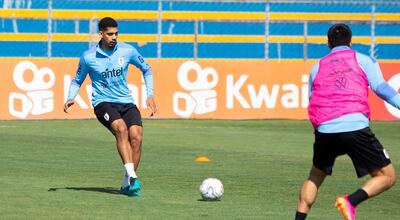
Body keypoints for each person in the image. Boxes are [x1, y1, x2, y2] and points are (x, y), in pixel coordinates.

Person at [295, 23, 399, 220]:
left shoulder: (317, 67)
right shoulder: (363, 60)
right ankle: (351, 201)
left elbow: (312, 101)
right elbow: (381, 88)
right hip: (355, 126)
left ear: (328, 44)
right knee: (387, 176)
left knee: (315, 177)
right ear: (351, 42)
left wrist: (320, 130)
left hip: (325, 130)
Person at [63, 17, 157, 197]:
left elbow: (147, 69)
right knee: (121, 129)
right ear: (101, 34)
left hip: (126, 102)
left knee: (136, 138)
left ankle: (126, 183)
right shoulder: (88, 57)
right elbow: (77, 80)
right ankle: (132, 177)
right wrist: (70, 97)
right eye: (110, 34)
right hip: (103, 103)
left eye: (116, 33)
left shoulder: (127, 50)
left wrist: (150, 94)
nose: (114, 37)